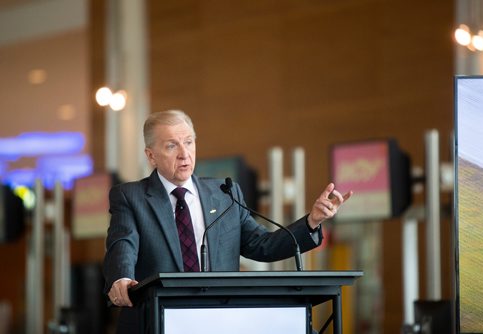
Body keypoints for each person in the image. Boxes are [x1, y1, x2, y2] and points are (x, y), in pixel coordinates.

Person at [103, 110, 353, 333]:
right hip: (155, 320)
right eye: (171, 146)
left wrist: (311, 221)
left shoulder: (224, 193)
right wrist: (121, 278)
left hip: (220, 320)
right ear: (151, 155)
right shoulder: (130, 196)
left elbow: (262, 245)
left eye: (189, 142)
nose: (184, 154)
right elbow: (123, 242)